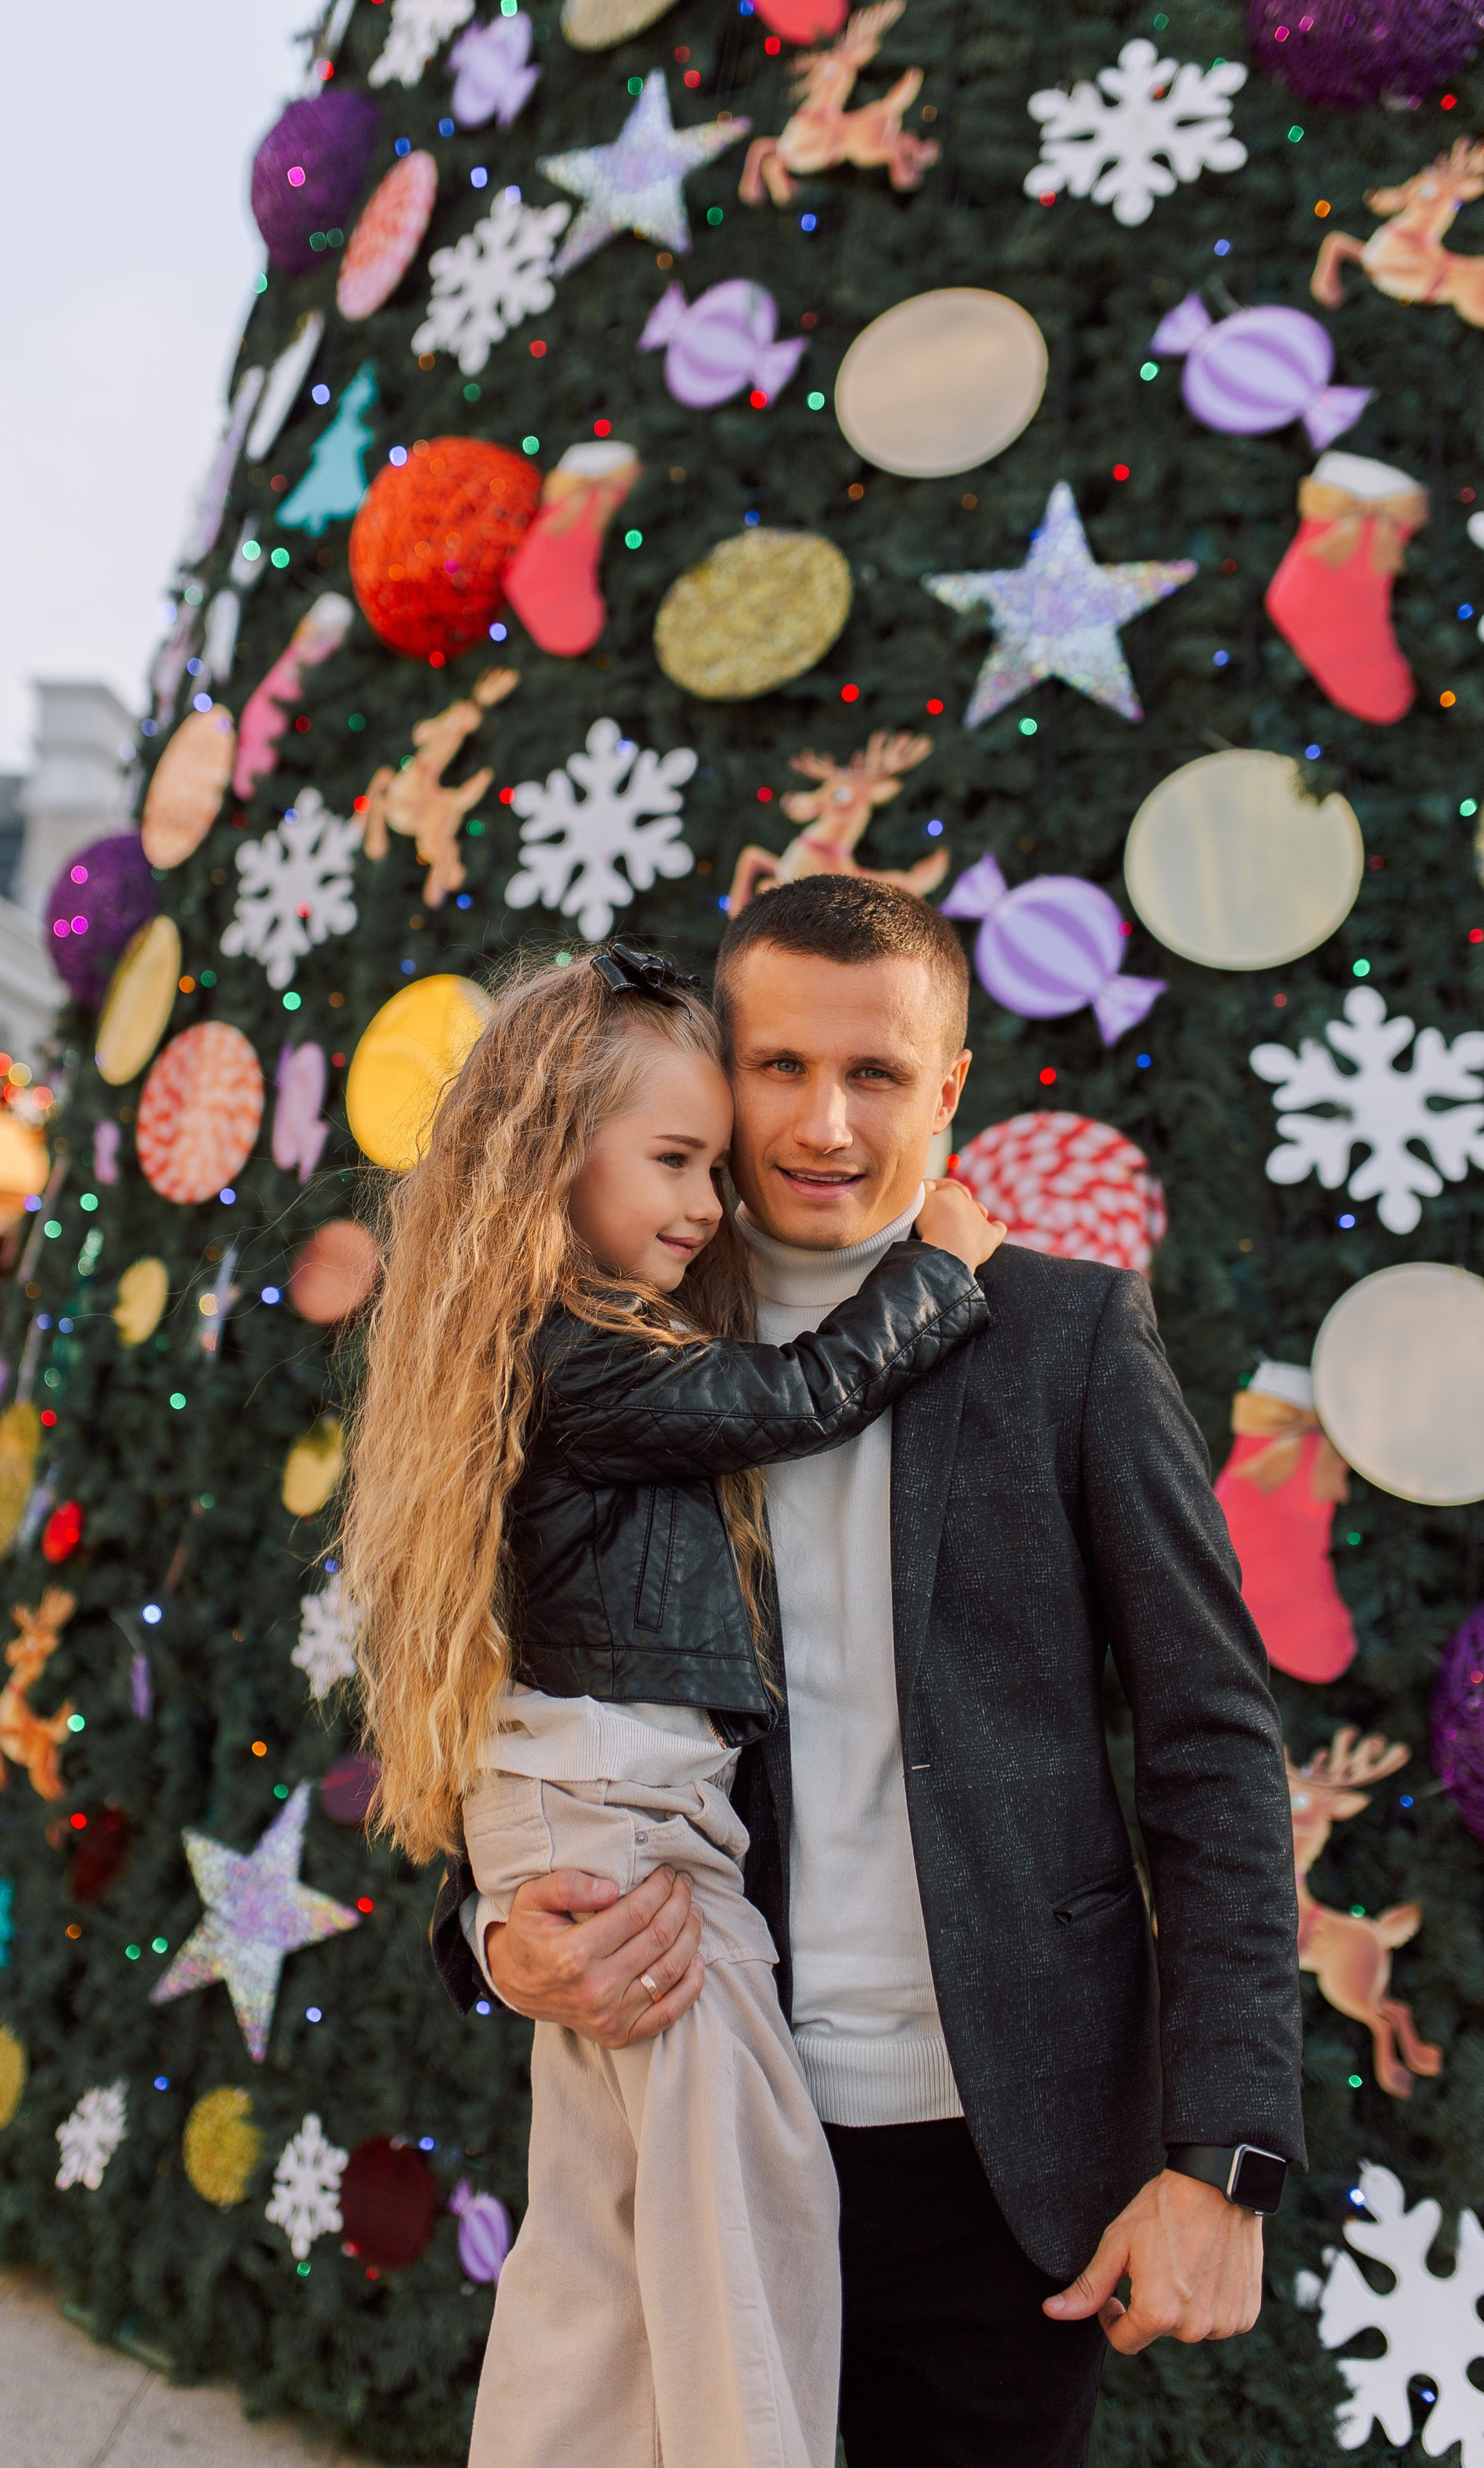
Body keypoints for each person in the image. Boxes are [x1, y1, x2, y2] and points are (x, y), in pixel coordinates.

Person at [435, 879, 1306, 2468]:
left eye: (877, 1074)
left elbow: (1209, 1742)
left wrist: (1222, 2158)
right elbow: (496, 1688)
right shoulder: (612, 1341)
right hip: (705, 2118)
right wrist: (491, 1937)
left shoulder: (1067, 1336)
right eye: (777, 1068)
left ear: (949, 1086)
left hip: (1007, 2157)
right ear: (716, 1065)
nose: (823, 1123)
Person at [344, 939, 1004, 2468]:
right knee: (739, 2211)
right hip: (621, 1814)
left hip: (602, 1805)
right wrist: (937, 1273)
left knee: (609, 2233)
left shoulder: (559, 1344)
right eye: (676, 1162)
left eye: (709, 1166)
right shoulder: (581, 1359)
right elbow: (788, 1403)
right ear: (552, 1154)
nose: (708, 1204)